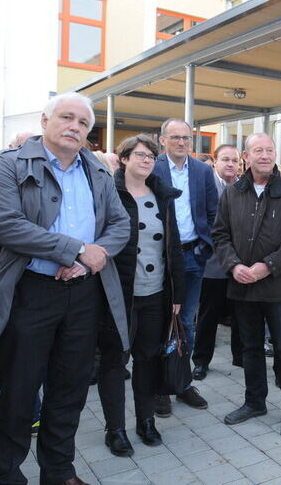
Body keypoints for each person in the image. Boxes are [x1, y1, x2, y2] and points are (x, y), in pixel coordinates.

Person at [0, 93, 130, 485]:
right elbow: (7, 224)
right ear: (45, 121)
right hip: (30, 293)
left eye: (83, 123)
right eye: (67, 117)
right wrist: (74, 250)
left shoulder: (98, 172)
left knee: (70, 386)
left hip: (83, 293)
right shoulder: (9, 165)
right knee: (20, 389)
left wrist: (88, 260)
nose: (74, 126)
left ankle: (58, 471)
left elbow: (120, 225)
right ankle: (6, 472)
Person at [213, 133, 281, 437]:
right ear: (247, 156)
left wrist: (267, 266)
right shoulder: (232, 193)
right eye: (259, 150)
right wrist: (234, 265)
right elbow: (219, 234)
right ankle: (255, 402)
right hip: (242, 285)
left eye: (270, 150)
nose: (265, 155)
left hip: (278, 287)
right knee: (250, 348)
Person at [98, 135, 185, 456]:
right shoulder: (110, 193)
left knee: (148, 359)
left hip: (155, 294)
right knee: (114, 361)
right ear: (123, 159)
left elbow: (173, 246)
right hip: (119, 296)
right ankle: (114, 429)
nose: (147, 160)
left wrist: (178, 293)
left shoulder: (162, 194)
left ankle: (145, 420)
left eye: (151, 156)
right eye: (139, 155)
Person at [152, 118, 218, 415]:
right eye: (175, 137)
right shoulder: (152, 168)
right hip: (159, 258)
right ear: (162, 139)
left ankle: (182, 382)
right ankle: (159, 387)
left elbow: (214, 212)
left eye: (186, 138)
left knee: (187, 323)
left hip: (192, 256)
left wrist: (207, 247)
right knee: (158, 322)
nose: (181, 142)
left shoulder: (203, 171)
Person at [193, 145, 243, 380]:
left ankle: (240, 356)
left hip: (240, 264)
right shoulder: (205, 186)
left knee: (240, 313)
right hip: (213, 262)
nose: (231, 164)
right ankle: (201, 360)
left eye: (234, 160)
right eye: (225, 159)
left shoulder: (243, 187)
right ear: (215, 162)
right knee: (208, 316)